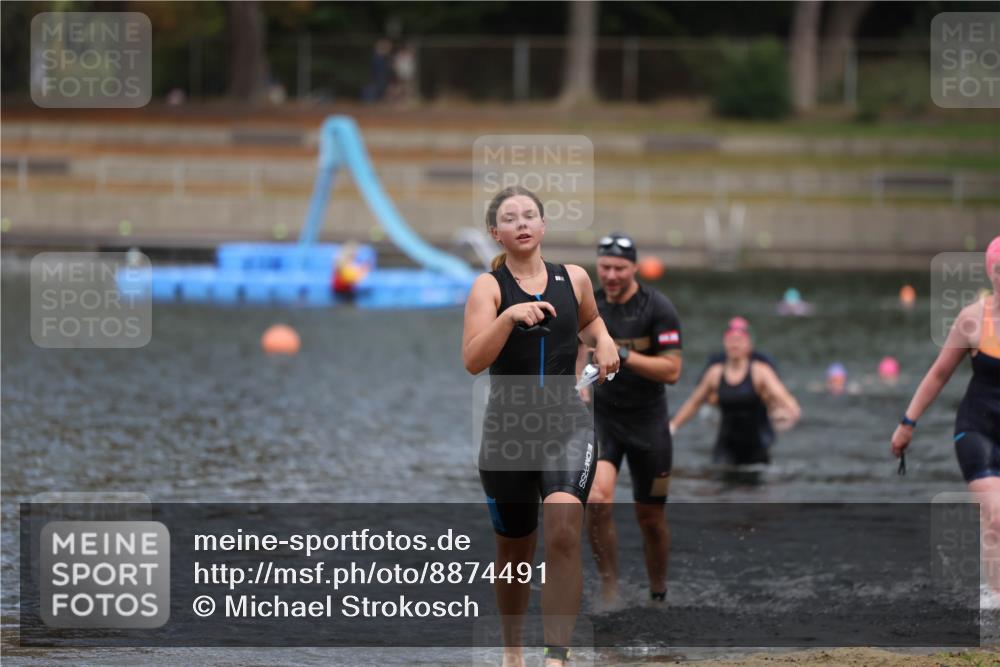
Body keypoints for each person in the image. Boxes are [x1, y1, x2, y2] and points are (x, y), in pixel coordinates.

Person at [462, 186, 619, 667]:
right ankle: (513, 654)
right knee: (514, 554)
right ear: (497, 233)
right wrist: (509, 318)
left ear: (544, 226)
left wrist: (606, 340)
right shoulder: (488, 289)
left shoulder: (573, 278)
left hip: (567, 424)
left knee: (565, 530)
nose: (522, 223)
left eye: (530, 215)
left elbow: (590, 324)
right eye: (510, 218)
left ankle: (557, 657)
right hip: (507, 434)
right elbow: (472, 360)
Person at [891, 236, 1000, 603]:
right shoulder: (972, 319)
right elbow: (939, 374)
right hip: (977, 430)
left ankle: (992, 600)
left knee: (993, 526)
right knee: (997, 516)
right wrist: (908, 423)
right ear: (992, 273)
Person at [578, 232, 683, 607]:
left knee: (650, 518)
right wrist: (581, 386)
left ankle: (658, 592)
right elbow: (578, 346)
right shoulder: (589, 303)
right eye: (604, 267)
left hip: (649, 425)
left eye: (619, 268)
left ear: (634, 267)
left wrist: (621, 354)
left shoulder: (657, 308)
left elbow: (672, 371)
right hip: (606, 420)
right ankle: (611, 589)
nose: (611, 275)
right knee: (598, 500)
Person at [671, 317, 801, 465]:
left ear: (749, 345)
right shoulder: (715, 373)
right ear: (724, 343)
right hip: (725, 447)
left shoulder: (761, 372)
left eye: (739, 340)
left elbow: (785, 399)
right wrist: (673, 426)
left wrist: (790, 415)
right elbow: (694, 402)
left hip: (756, 448)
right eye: (731, 340)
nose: (734, 344)